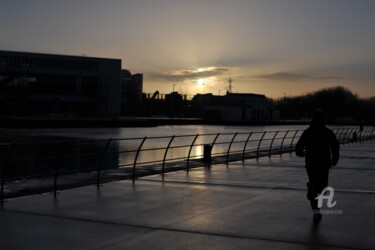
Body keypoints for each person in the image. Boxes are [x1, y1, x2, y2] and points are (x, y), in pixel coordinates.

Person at [295, 109, 340, 222]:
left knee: (314, 184)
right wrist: (335, 159)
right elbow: (335, 146)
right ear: (322, 119)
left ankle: (315, 211)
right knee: (323, 187)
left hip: (310, 162)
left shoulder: (307, 132)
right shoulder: (328, 132)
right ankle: (315, 199)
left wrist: (300, 153)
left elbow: (298, 147)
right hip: (324, 163)